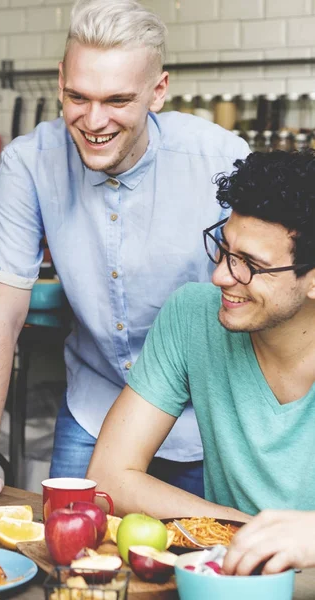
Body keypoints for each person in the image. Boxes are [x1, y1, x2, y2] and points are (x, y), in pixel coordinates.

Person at [0, 0, 249, 499]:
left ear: (158, 91)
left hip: (205, 417)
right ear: (60, 82)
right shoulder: (28, 164)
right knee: (69, 558)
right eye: (78, 96)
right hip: (97, 406)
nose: (93, 121)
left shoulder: (220, 159)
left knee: (204, 559)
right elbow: (1, 317)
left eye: (117, 99)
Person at [87, 149, 315, 521]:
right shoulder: (194, 314)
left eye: (252, 265)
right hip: (228, 569)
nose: (221, 277)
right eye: (224, 249)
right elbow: (108, 479)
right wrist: (250, 531)